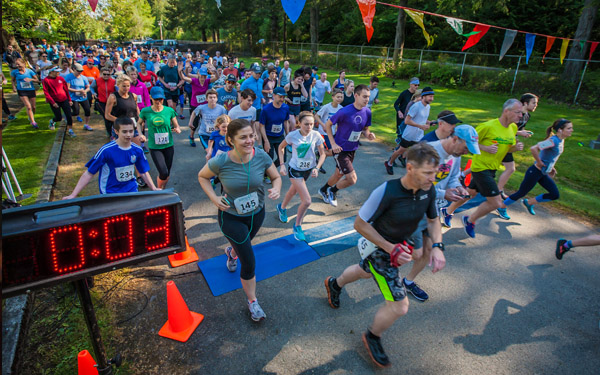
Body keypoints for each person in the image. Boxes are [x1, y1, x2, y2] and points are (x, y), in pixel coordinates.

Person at [324, 143, 444, 368]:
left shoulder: (429, 189)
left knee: (365, 271)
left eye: (434, 173)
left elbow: (433, 219)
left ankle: (335, 284)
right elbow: (359, 224)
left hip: (398, 248)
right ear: (409, 168)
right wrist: (390, 248)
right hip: (379, 249)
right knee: (399, 306)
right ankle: (372, 336)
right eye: (428, 173)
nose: (432, 178)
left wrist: (437, 246)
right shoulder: (386, 192)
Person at [197, 119, 281, 322]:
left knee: (243, 245)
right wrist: (214, 198)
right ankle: (253, 302)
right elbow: (202, 176)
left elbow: (276, 177)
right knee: (249, 260)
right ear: (230, 140)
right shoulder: (221, 161)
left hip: (257, 213)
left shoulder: (260, 155)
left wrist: (277, 187)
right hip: (231, 218)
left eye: (251, 135)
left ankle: (231, 252)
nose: (249, 140)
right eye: (243, 137)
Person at [403, 125, 479, 302]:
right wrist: (443, 193)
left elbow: (452, 177)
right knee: (393, 252)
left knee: (427, 249)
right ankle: (344, 278)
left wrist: (457, 187)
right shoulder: (429, 151)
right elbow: (415, 184)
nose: (466, 152)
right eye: (465, 147)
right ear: (454, 139)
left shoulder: (455, 155)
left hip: (431, 210)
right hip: (413, 207)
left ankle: (407, 281)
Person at [461, 99, 524, 238]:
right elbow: (468, 141)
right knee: (496, 202)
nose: (521, 116)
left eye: (522, 113)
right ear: (506, 111)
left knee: (470, 192)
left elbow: (507, 149)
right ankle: (470, 220)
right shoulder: (488, 126)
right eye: (518, 112)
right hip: (480, 167)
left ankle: (446, 210)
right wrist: (485, 148)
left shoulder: (513, 128)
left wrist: (515, 148)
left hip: (492, 168)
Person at [63, 118, 158, 198]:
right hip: (110, 193)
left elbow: (143, 172)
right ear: (116, 131)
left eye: (131, 131)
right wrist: (73, 195)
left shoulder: (137, 150)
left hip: (131, 190)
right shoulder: (106, 151)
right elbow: (89, 173)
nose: (128, 135)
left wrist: (153, 188)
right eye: (124, 132)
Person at [498, 119, 573, 220]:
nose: (571, 130)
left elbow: (549, 155)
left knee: (554, 194)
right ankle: (501, 207)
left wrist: (551, 167)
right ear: (560, 130)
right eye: (569, 128)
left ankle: (529, 203)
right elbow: (534, 148)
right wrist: (539, 162)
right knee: (521, 193)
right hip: (535, 172)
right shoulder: (553, 141)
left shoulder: (561, 140)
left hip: (543, 173)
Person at [319, 84, 375, 207]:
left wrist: (368, 134)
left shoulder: (367, 112)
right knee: (351, 179)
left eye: (368, 97)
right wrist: (333, 144)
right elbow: (328, 125)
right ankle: (332, 191)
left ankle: (323, 189)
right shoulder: (344, 111)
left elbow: (365, 129)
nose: (367, 99)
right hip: (340, 149)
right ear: (356, 96)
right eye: (364, 96)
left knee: (339, 174)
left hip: (352, 149)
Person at [276, 111, 326, 241]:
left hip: (308, 170)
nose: (309, 127)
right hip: (295, 169)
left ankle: (281, 208)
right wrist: (281, 165)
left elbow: (323, 153)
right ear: (299, 123)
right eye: (306, 124)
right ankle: (297, 226)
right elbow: (281, 148)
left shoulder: (316, 135)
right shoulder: (292, 135)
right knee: (307, 200)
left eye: (311, 124)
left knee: (293, 191)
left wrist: (317, 167)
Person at [138, 86, 182, 189]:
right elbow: (139, 123)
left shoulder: (169, 110)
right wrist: (141, 134)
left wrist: (177, 128)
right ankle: (159, 190)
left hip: (168, 145)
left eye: (160, 99)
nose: (158, 101)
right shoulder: (145, 111)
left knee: (167, 172)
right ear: (151, 98)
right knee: (163, 171)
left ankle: (162, 189)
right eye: (156, 99)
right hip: (155, 147)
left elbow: (176, 124)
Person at [497, 93, 538, 199]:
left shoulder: (527, 116)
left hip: (509, 143)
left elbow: (517, 130)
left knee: (494, 164)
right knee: (509, 168)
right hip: (502, 141)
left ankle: (465, 175)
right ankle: (498, 191)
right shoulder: (515, 114)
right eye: (533, 103)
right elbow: (506, 127)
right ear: (525, 103)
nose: (535, 105)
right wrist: (520, 133)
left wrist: (524, 132)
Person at [385, 87, 435, 170]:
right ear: (423, 96)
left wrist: (429, 122)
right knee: (400, 150)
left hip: (419, 135)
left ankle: (416, 171)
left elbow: (421, 118)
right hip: (409, 134)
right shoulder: (416, 106)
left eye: (432, 96)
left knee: (419, 153)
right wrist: (421, 126)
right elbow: (407, 121)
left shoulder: (428, 107)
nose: (432, 99)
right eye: (430, 96)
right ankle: (389, 163)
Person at [259, 87, 291, 173]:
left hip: (280, 136)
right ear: (273, 96)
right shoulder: (266, 110)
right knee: (270, 157)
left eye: (283, 97)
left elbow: (285, 121)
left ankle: (268, 170)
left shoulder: (285, 107)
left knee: (283, 158)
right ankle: (267, 173)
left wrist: (288, 135)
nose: (282, 99)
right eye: (280, 97)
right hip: (268, 136)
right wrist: (265, 141)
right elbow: (261, 126)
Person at [105, 74, 140, 143]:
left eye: (128, 86)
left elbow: (136, 109)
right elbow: (107, 115)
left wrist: (140, 120)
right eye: (124, 86)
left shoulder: (133, 96)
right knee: (121, 149)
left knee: (135, 149)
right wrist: (121, 121)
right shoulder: (113, 97)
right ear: (118, 85)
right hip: (120, 127)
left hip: (133, 126)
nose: (126, 88)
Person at [11, 58, 39, 128]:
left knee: (33, 107)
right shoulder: (14, 72)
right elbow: (12, 80)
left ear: (23, 64)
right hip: (22, 91)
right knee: (28, 106)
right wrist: (14, 87)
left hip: (31, 90)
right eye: (16, 64)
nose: (17, 65)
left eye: (18, 64)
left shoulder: (29, 71)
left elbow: (37, 80)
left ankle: (31, 117)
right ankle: (33, 122)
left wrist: (31, 79)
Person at [43, 67, 73, 133]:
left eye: (58, 71)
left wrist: (69, 100)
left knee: (69, 115)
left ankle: (70, 130)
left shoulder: (61, 79)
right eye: (56, 72)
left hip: (64, 99)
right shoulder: (46, 80)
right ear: (51, 72)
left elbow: (66, 90)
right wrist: (53, 102)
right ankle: (52, 121)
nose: (58, 73)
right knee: (59, 117)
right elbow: (46, 93)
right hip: (55, 101)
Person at [65, 63, 93, 131]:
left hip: (83, 97)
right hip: (73, 97)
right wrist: (78, 90)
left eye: (81, 71)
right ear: (74, 69)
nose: (80, 72)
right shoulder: (69, 77)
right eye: (78, 71)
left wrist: (85, 91)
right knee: (76, 112)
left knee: (87, 110)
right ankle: (68, 116)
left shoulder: (83, 77)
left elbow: (89, 87)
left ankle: (86, 124)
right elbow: (67, 88)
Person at [91, 67, 116, 136]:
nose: (106, 76)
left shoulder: (113, 81)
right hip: (101, 101)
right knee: (106, 117)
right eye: (104, 74)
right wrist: (94, 93)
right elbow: (91, 87)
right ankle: (109, 132)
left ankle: (113, 130)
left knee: (112, 116)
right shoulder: (97, 81)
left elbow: (117, 89)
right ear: (101, 74)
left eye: (108, 74)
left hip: (111, 102)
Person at [240, 65, 264, 135]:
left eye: (259, 73)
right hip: (249, 106)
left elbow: (260, 91)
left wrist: (262, 97)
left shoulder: (261, 81)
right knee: (249, 124)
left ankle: (258, 143)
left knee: (257, 124)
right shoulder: (246, 82)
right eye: (256, 73)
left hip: (258, 106)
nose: (258, 75)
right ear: (252, 72)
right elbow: (241, 93)